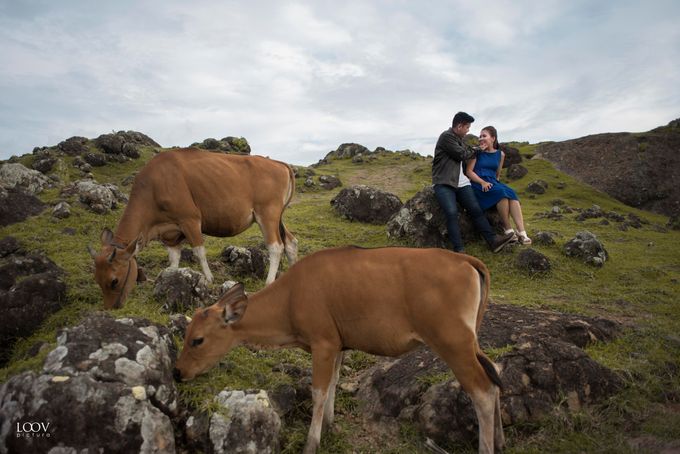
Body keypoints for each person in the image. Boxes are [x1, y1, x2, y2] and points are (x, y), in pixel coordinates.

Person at [432, 112, 515, 253]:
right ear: (459, 126)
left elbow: (467, 153)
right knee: (451, 213)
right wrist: (478, 149)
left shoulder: (460, 139)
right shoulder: (446, 137)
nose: (468, 131)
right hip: (445, 182)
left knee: (476, 210)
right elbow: (462, 154)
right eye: (467, 127)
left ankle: (493, 241)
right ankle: (459, 250)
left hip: (462, 183)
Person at [466, 126, 532, 244]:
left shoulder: (500, 155)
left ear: (493, 138)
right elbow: (469, 171)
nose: (481, 138)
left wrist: (495, 183)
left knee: (511, 193)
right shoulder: (477, 153)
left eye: (484, 136)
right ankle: (508, 230)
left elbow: (497, 174)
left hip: (492, 182)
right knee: (501, 193)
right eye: (480, 136)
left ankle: (522, 232)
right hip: (478, 183)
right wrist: (482, 182)